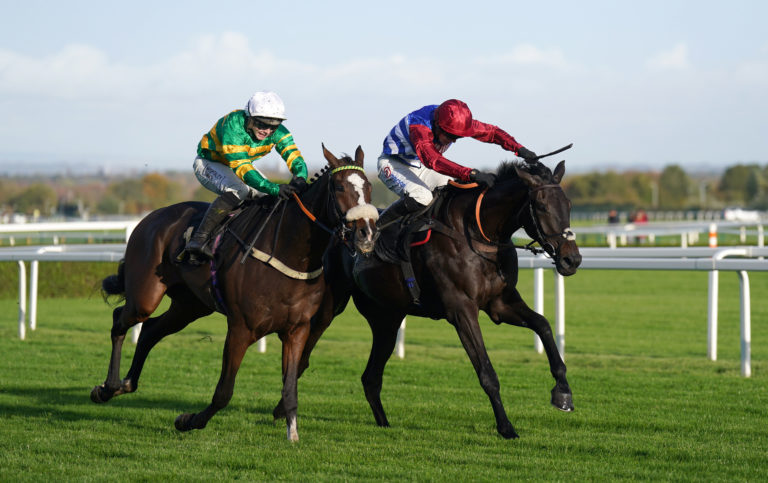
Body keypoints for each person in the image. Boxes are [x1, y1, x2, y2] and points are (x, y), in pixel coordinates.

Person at [186, 91, 309, 260]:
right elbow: (242, 167)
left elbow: (294, 156)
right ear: (249, 117)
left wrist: (300, 176)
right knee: (240, 190)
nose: (267, 131)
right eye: (262, 124)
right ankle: (199, 239)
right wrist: (274, 187)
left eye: (273, 126)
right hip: (209, 163)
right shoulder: (233, 124)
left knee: (266, 196)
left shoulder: (279, 132)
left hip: (234, 166)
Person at [376, 99, 539, 226]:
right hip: (393, 164)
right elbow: (432, 160)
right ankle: (374, 229)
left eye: (458, 137)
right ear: (438, 126)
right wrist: (471, 173)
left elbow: (492, 133)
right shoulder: (419, 127)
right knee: (423, 197)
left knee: (456, 191)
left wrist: (519, 149)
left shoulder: (453, 121)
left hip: (420, 166)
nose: (453, 141)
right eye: (451, 136)